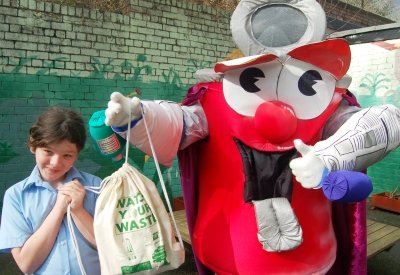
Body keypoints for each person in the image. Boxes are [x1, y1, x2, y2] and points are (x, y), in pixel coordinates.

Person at [0, 106, 101, 275]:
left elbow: (109, 246)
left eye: (67, 155)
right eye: (48, 151)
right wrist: (59, 208)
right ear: (33, 145)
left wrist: (78, 210)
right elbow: (26, 264)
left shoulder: (95, 186)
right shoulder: (16, 196)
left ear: (77, 154)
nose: (55, 163)